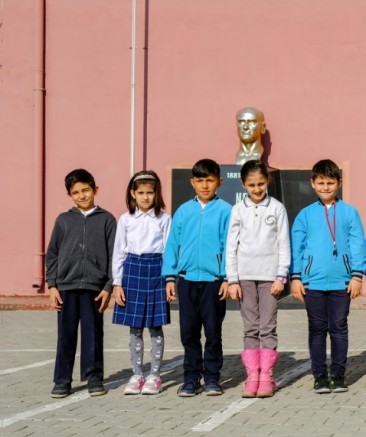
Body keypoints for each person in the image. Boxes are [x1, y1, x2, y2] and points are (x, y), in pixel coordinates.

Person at [290, 159, 366, 394]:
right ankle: (320, 377)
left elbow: (357, 245)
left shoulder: (349, 212)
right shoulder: (305, 215)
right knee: (317, 329)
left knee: (339, 328)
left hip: (342, 282)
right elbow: (297, 248)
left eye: (330, 183)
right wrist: (296, 277)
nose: (325, 187)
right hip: (312, 282)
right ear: (313, 183)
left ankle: (339, 375)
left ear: (339, 183)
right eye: (321, 183)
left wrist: (357, 276)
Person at [163, 158, 233, 397]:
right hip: (187, 280)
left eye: (210, 180)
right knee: (189, 332)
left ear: (219, 182)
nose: (205, 185)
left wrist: (227, 278)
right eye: (200, 180)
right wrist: (170, 277)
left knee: (213, 332)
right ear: (192, 182)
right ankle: (191, 379)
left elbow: (230, 246)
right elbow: (172, 245)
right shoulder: (184, 211)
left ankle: (212, 378)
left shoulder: (226, 211)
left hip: (215, 282)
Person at [46, 169, 116, 398]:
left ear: (95, 190)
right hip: (66, 286)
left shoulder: (107, 219)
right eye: (76, 192)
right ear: (70, 195)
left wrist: (108, 287)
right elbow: (52, 255)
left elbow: (114, 255)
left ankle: (94, 378)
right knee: (65, 336)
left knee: (93, 335)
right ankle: (62, 381)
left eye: (86, 190)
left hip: (94, 288)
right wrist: (52, 285)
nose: (82, 195)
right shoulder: (63, 220)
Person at [225, 160, 290, 398]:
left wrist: (281, 275)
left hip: (270, 278)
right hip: (244, 278)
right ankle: (253, 375)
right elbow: (231, 246)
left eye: (261, 183)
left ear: (268, 181)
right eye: (251, 185)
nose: (257, 189)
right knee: (250, 327)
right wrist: (232, 280)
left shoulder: (277, 208)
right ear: (243, 184)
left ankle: (267, 376)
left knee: (268, 327)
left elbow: (284, 243)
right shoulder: (237, 210)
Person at [111, 170, 172, 396]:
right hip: (132, 270)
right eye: (141, 193)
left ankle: (155, 375)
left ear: (157, 194)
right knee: (135, 327)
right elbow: (119, 252)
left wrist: (169, 279)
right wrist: (117, 283)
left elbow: (168, 251)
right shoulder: (125, 219)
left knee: (155, 326)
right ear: (133, 194)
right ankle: (137, 374)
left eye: (150, 192)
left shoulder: (164, 219)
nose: (145, 197)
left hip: (156, 270)